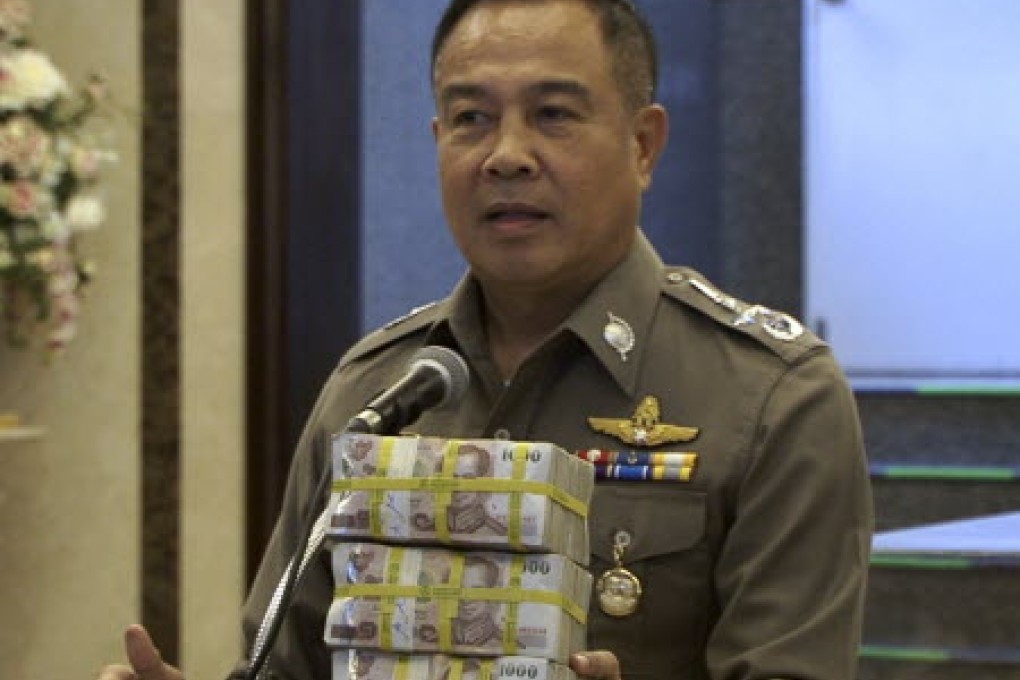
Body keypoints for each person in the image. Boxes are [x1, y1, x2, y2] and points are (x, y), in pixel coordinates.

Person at [98, 1, 873, 679]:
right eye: (471, 118)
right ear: (438, 141)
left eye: (553, 114)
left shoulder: (773, 397)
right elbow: (287, 664)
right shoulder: (375, 391)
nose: (506, 154)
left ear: (643, 145)